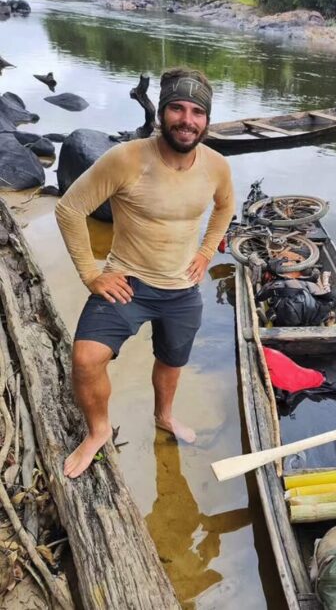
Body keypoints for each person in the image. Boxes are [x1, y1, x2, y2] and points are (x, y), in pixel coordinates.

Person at [55, 67, 235, 478]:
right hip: (128, 281)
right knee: (85, 359)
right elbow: (69, 209)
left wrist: (207, 251)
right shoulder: (126, 158)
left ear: (206, 120)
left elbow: (225, 206)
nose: (186, 120)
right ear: (162, 113)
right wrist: (90, 272)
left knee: (171, 362)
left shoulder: (217, 166)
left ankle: (164, 416)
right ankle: (98, 430)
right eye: (177, 108)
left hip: (182, 287)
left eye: (197, 112)